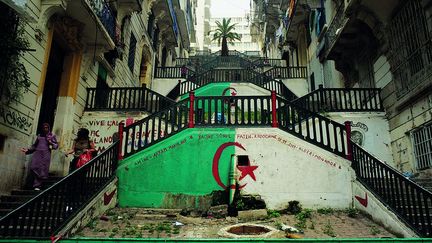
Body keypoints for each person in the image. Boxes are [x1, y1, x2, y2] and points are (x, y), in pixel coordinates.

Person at [21, 123, 58, 190]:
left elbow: (56, 146)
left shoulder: (52, 136)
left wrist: (51, 142)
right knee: (33, 167)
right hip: (37, 153)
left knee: (42, 169)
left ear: (49, 128)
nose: (45, 129)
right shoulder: (39, 135)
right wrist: (28, 150)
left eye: (46, 127)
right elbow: (34, 146)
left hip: (46, 154)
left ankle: (37, 185)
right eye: (44, 127)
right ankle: (38, 184)